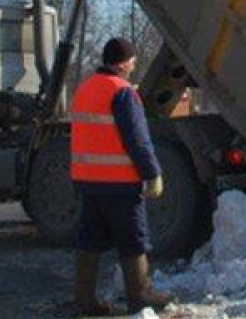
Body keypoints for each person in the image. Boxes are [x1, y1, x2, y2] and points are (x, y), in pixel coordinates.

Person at [69, 38, 173, 316]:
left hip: (88, 182)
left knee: (89, 239)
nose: (134, 64)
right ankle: (140, 299)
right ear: (123, 62)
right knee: (133, 240)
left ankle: (84, 300)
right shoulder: (122, 92)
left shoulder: (85, 89)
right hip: (120, 183)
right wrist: (152, 173)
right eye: (133, 60)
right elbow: (137, 139)